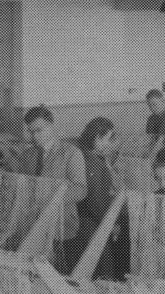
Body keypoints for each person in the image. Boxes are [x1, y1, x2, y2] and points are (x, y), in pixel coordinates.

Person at [22, 105, 88, 272]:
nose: (34, 136)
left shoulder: (70, 153)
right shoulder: (28, 155)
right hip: (34, 224)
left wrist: (49, 198)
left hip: (62, 225)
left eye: (39, 130)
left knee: (61, 274)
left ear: (51, 126)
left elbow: (80, 189)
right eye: (31, 132)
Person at [76, 117, 119, 278]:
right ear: (97, 138)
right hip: (91, 226)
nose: (110, 144)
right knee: (101, 271)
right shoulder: (92, 163)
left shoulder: (82, 154)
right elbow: (95, 201)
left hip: (82, 222)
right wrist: (111, 224)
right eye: (108, 139)